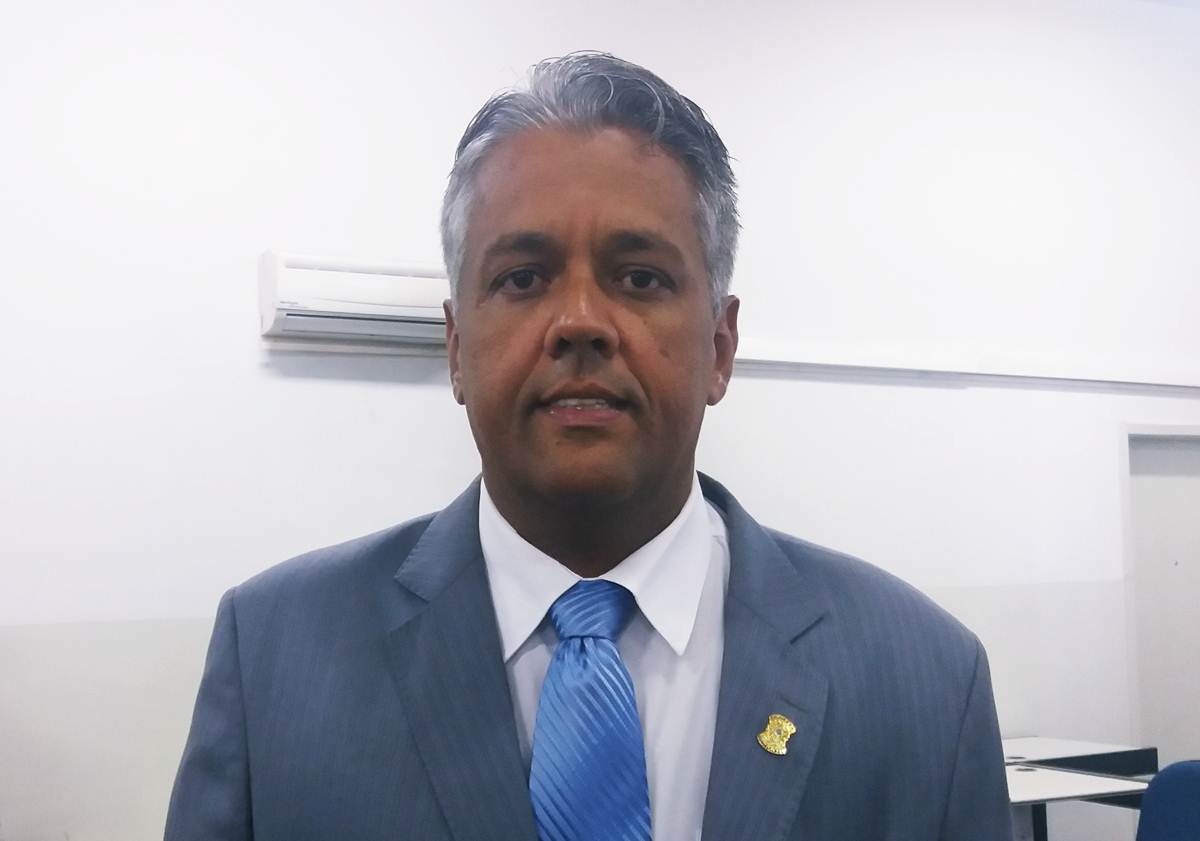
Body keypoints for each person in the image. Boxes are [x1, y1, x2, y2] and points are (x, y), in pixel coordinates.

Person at [166, 51, 1012, 841]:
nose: (579, 322)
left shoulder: (926, 684)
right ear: (456, 348)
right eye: (523, 278)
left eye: (639, 277)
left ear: (720, 348)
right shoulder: (276, 656)